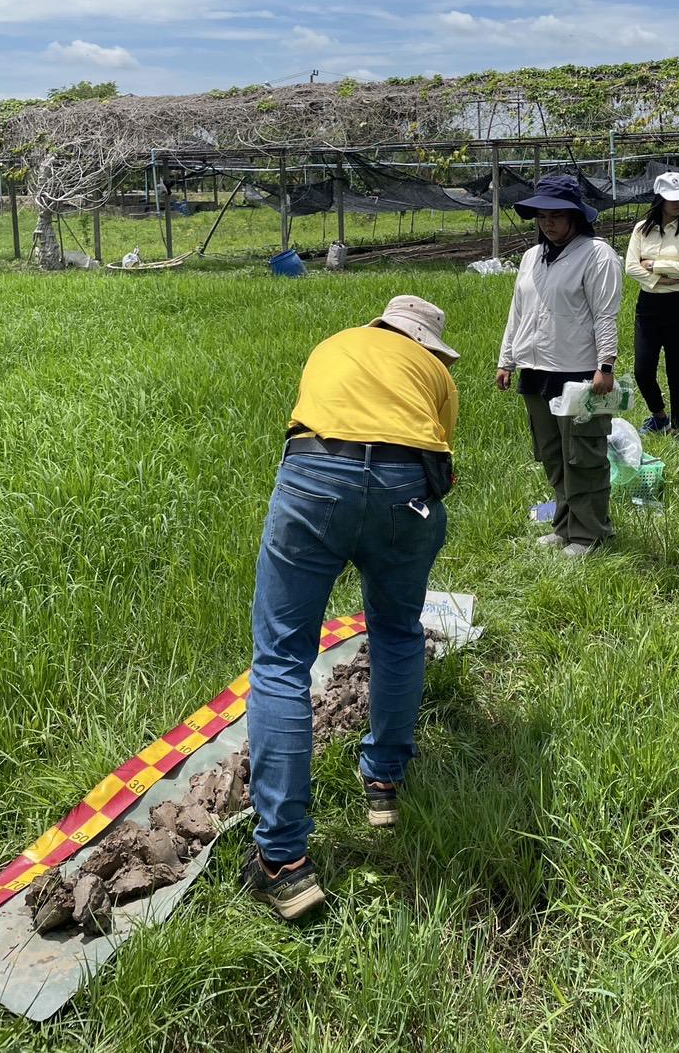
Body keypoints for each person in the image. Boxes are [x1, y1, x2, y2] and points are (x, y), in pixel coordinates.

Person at [243, 295, 459, 920]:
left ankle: (283, 862)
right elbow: (440, 461)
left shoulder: (334, 345)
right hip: (405, 491)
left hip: (314, 475)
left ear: (381, 326)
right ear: (426, 344)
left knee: (282, 660)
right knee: (396, 632)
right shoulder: (435, 374)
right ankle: (384, 785)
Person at [496, 174, 623, 557]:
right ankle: (565, 525)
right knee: (552, 453)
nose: (547, 223)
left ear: (575, 217)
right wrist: (507, 360)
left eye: (556, 215)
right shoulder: (532, 257)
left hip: (578, 371)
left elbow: (605, 314)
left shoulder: (597, 254)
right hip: (535, 369)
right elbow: (518, 311)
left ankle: (590, 534)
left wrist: (606, 364)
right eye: (540, 216)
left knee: (583, 455)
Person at [624, 170, 679, 436]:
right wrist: (660, 280)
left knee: (676, 369)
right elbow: (631, 267)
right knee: (643, 369)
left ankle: (678, 427)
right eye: (672, 198)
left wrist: (654, 265)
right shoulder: (641, 230)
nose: (678, 204)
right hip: (649, 305)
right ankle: (659, 415)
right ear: (659, 199)